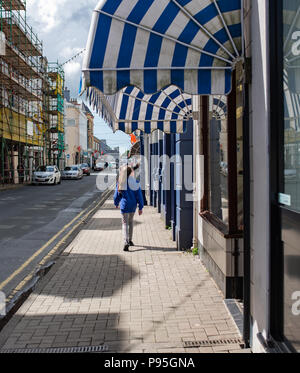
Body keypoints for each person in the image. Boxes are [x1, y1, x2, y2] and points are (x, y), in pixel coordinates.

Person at [114, 166, 144, 252]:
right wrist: (140, 207)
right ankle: (130, 240)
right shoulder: (135, 182)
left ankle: (126, 242)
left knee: (124, 224)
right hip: (133, 206)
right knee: (130, 222)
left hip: (124, 206)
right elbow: (139, 196)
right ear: (130, 173)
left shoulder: (121, 182)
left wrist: (116, 203)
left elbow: (116, 195)